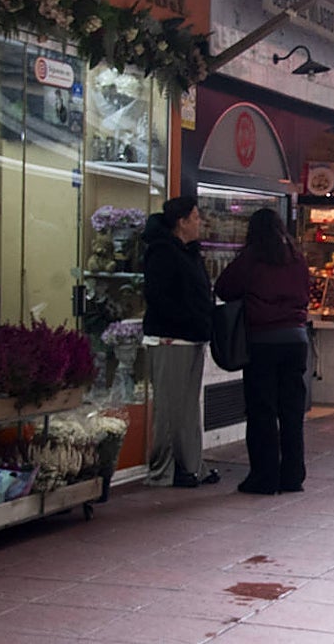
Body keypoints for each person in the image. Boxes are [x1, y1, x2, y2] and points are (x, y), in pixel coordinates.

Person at [215, 207, 311, 495]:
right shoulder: (296, 258)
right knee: (292, 412)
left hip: (262, 341)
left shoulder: (251, 258)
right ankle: (293, 476)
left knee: (262, 410)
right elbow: (306, 291)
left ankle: (264, 477)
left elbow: (224, 288)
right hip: (296, 340)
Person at [141, 195, 219, 488]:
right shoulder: (161, 252)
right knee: (169, 407)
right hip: (171, 338)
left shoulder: (191, 252)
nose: (200, 222)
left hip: (193, 336)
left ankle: (191, 464)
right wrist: (188, 320)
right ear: (181, 222)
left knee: (187, 407)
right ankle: (164, 469)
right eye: (196, 217)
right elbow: (158, 296)